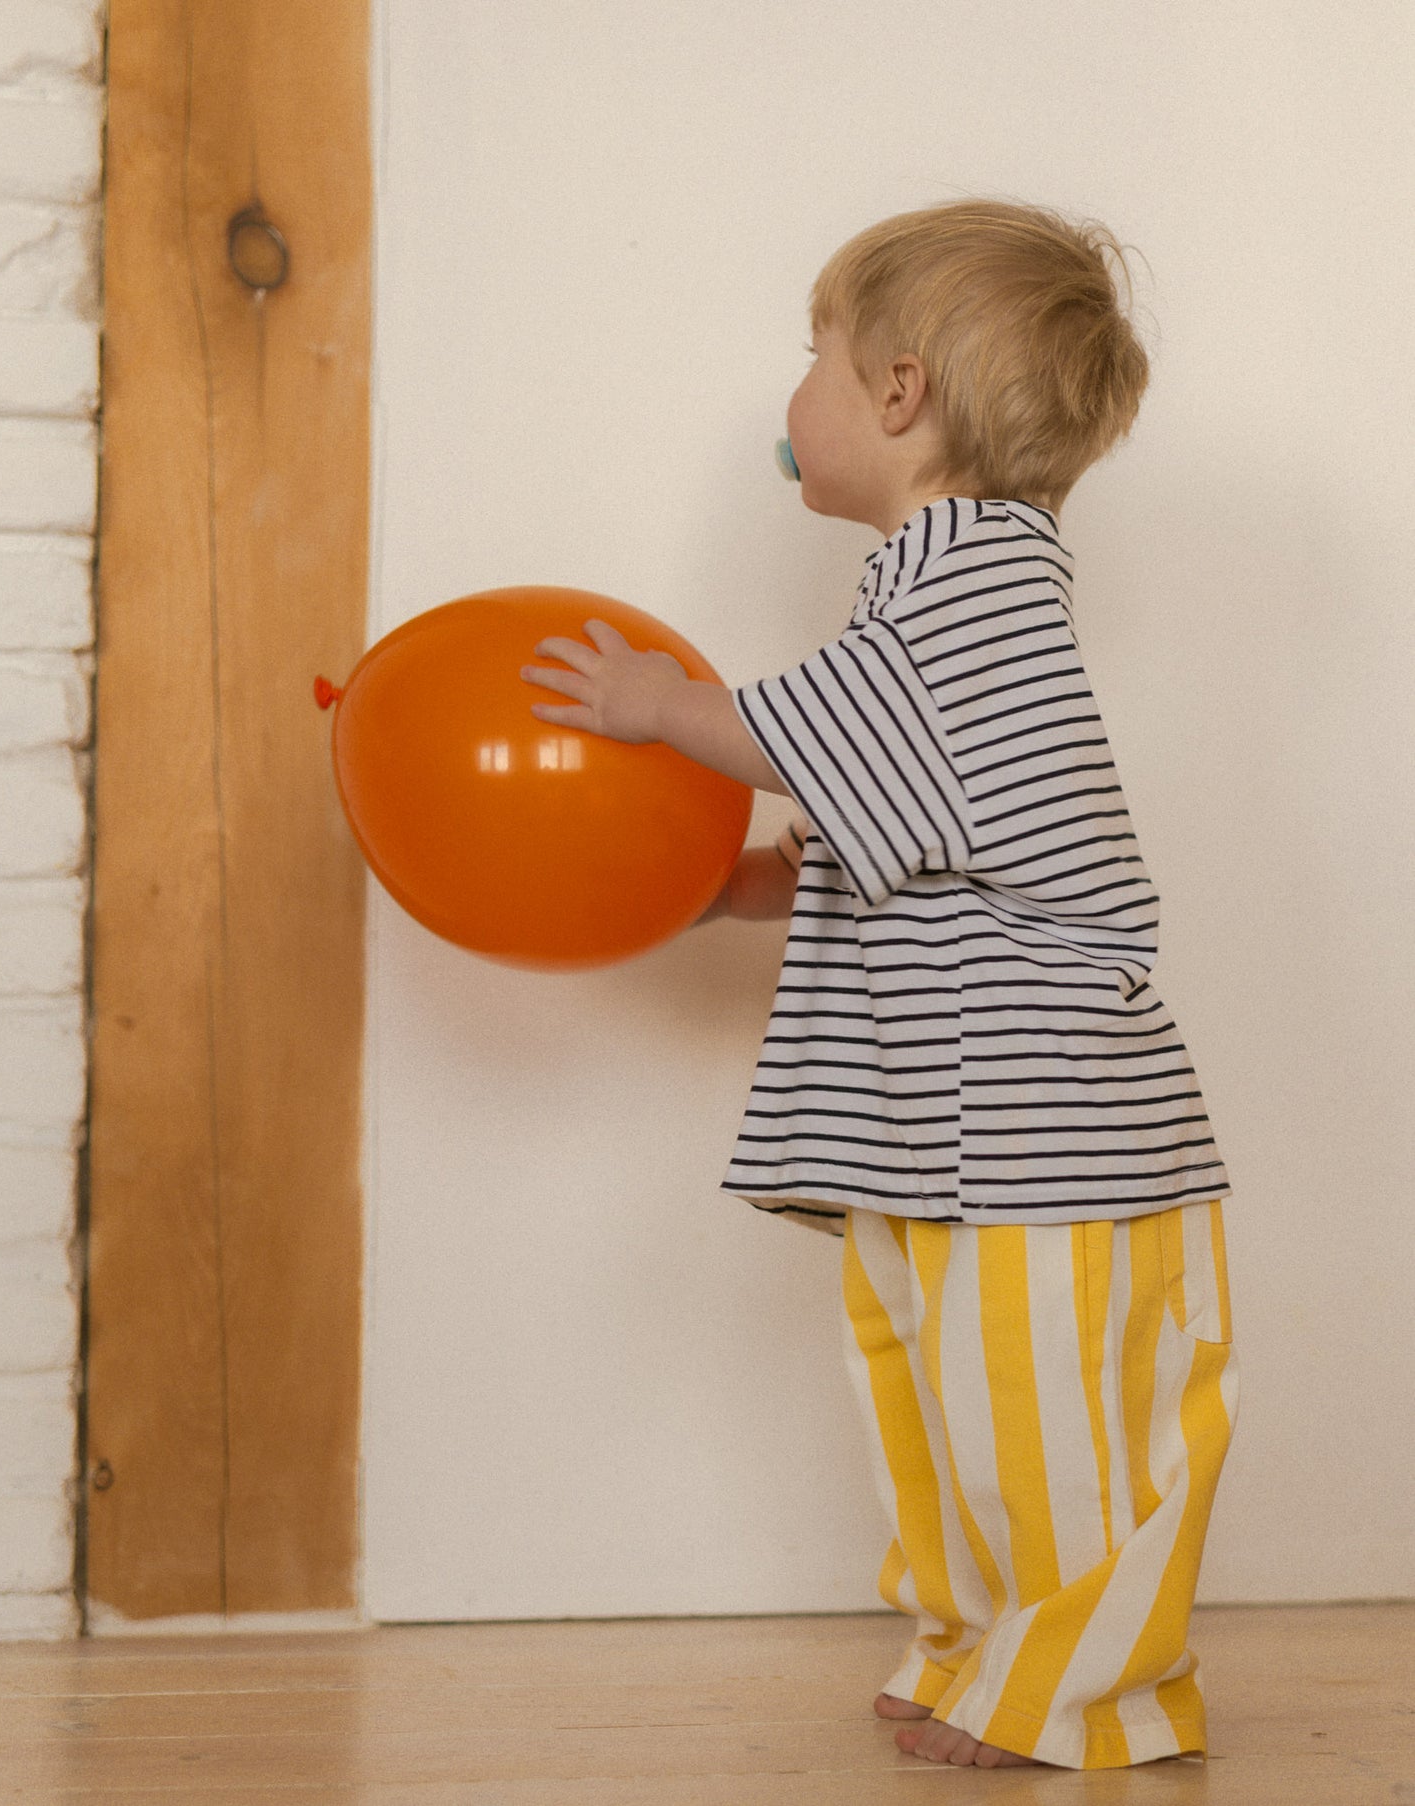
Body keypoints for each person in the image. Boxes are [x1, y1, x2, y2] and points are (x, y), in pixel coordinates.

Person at [520, 198, 1237, 1772]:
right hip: (939, 1129)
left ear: (897, 395)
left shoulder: (973, 577)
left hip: (1042, 1133)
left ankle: (1084, 1685)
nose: (794, 396)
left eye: (814, 358)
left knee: (1053, 1429)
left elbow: (805, 736)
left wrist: (664, 703)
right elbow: (920, 835)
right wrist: (745, 883)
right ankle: (982, 1644)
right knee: (948, 1408)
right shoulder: (924, 591)